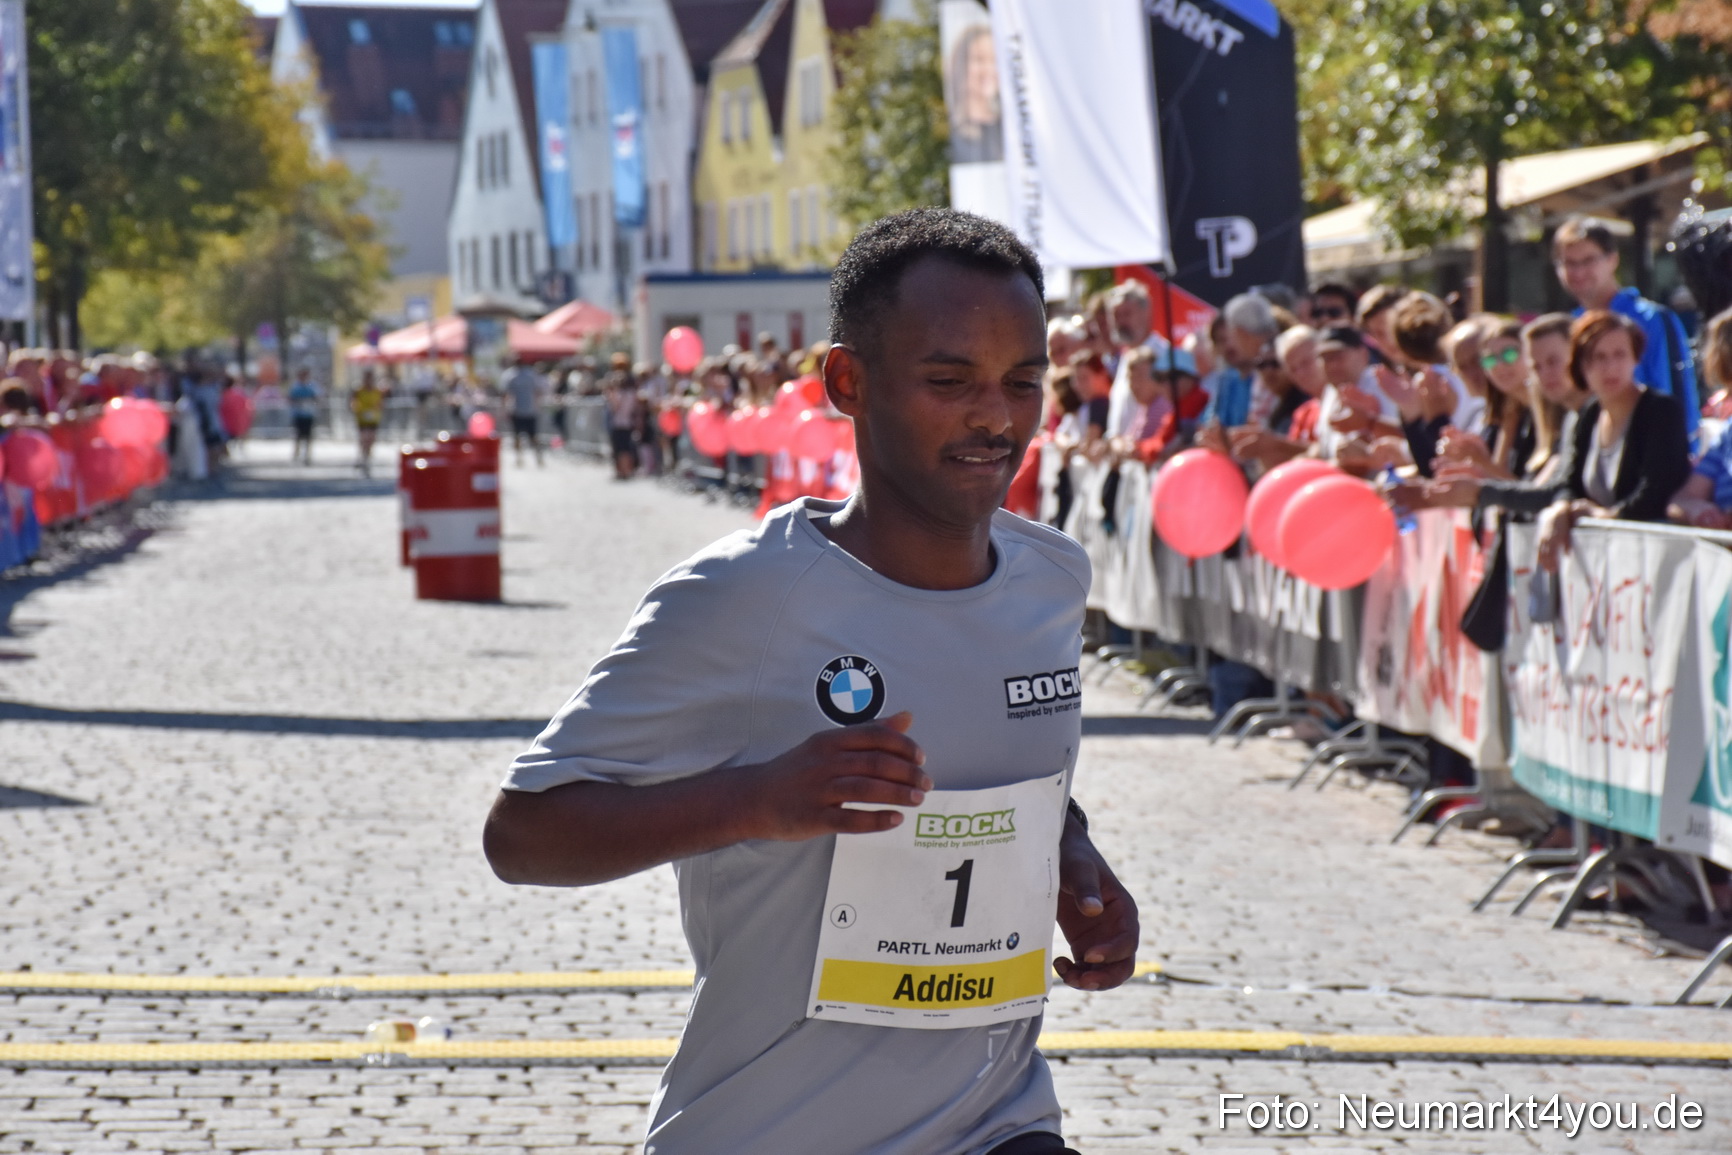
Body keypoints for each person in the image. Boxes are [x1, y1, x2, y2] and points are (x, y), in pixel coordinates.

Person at [483, 208, 1137, 1155]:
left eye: (1024, 381)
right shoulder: (741, 597)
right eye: (949, 381)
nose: (996, 416)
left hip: (997, 1127)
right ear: (847, 382)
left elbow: (1012, 767)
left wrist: (1072, 855)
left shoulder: (1050, 581)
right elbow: (522, 834)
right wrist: (757, 798)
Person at [1536, 311, 1693, 569]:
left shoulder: (1661, 411)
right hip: (1603, 568)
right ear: (1581, 365)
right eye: (1599, 357)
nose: (1610, 368)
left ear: (1635, 358)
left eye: (1620, 355)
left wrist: (1605, 516)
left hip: (1654, 562)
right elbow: (1569, 481)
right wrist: (1560, 509)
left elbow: (1656, 490)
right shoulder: (1589, 414)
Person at [1552, 215, 1700, 441]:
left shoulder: (1652, 319)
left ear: (1612, 260)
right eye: (1569, 263)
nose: (1579, 272)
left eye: (1589, 260)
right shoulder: (1569, 326)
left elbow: (1673, 399)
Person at [501, 359, 545, 467]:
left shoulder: (510, 375)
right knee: (531, 436)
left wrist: (504, 409)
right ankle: (536, 458)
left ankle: (520, 459)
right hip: (528, 409)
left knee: (519, 436)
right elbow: (538, 391)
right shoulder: (530, 374)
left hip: (519, 410)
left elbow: (505, 394)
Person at [602, 356, 640, 480]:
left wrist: (610, 394)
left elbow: (614, 407)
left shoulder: (620, 394)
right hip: (628, 422)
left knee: (620, 449)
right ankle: (627, 470)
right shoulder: (632, 393)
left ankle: (622, 471)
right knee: (626, 448)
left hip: (619, 423)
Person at [350, 370, 385, 477]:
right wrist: (356, 409)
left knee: (371, 439)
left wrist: (377, 408)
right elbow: (353, 402)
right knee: (364, 438)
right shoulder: (358, 390)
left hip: (373, 419)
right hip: (362, 419)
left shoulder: (377, 391)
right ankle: (362, 458)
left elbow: (381, 403)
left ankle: (367, 459)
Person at [288, 367, 320, 466]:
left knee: (308, 436)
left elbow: (317, 398)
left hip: (309, 414)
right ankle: (296, 455)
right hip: (298, 414)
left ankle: (307, 456)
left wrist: (310, 401)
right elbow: (290, 398)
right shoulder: (295, 387)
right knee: (297, 435)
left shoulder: (312, 386)